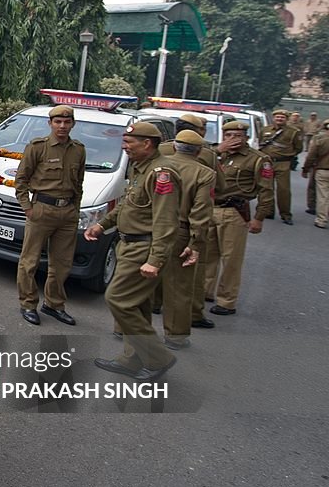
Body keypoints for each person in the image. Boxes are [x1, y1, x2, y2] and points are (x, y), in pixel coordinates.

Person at [85, 122, 181, 381]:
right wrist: (102, 225)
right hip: (128, 244)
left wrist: (156, 259)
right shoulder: (141, 168)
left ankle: (159, 358)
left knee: (117, 299)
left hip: (144, 247)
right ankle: (132, 359)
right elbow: (129, 205)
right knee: (137, 306)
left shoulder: (162, 173)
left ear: (147, 143)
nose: (124, 147)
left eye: (129, 143)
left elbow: (165, 220)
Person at [14, 104, 85, 326]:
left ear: (73, 124)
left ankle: (54, 304)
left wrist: (75, 209)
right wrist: (28, 208)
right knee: (30, 261)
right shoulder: (37, 147)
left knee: (62, 264)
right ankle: (28, 303)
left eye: (67, 122)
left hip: (67, 213)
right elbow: (21, 181)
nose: (62, 126)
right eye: (58, 122)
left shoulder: (78, 150)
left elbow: (79, 183)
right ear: (50, 123)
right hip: (41, 210)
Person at [156, 113, 225, 330]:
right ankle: (185, 323)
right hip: (184, 228)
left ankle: (148, 312)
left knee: (150, 270)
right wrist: (197, 241)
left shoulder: (160, 154)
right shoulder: (207, 161)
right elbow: (205, 205)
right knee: (184, 281)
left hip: (156, 225)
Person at [204, 120, 274, 316]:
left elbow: (266, 191)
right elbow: (197, 162)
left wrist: (259, 217)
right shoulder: (216, 154)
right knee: (207, 256)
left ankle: (226, 301)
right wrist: (219, 149)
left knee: (231, 259)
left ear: (246, 138)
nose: (233, 140)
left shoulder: (258, 159)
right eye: (228, 135)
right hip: (211, 209)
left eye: (238, 136)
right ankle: (204, 291)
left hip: (234, 212)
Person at [258, 109, 302, 224]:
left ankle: (286, 214)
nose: (279, 119)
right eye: (277, 117)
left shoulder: (293, 132)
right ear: (273, 118)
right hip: (267, 163)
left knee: (284, 189)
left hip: (283, 163)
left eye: (282, 117)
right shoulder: (265, 130)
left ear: (286, 119)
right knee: (267, 188)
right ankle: (268, 211)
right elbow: (260, 143)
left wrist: (288, 156)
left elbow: (298, 148)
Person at [302, 120, 329, 229]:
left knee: (323, 196)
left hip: (323, 170)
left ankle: (322, 220)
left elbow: (311, 155)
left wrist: (306, 169)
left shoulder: (319, 139)